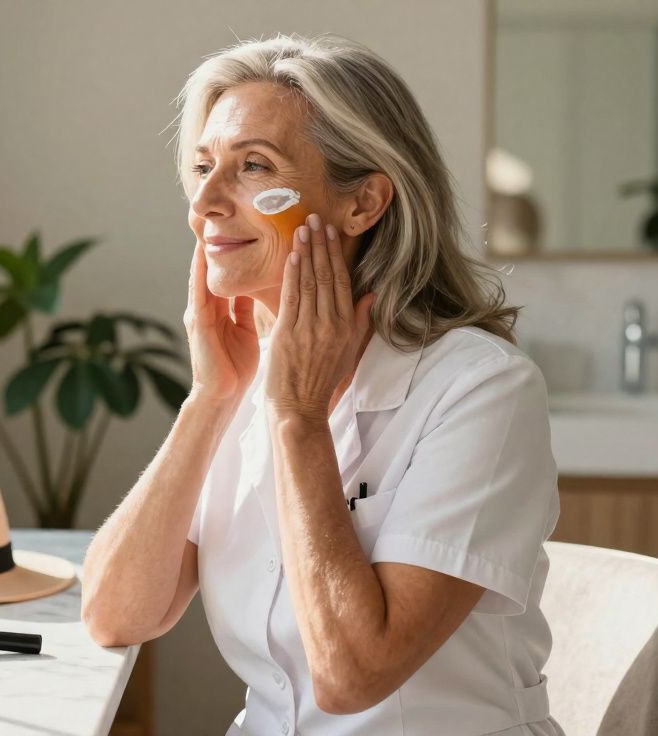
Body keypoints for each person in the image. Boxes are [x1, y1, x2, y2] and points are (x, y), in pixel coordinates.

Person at [81, 34, 563, 735]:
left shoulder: (480, 388)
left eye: (253, 167)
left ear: (363, 203)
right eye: (203, 168)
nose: (205, 204)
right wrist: (208, 398)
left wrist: (297, 420)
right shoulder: (242, 385)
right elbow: (114, 615)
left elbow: (351, 677)